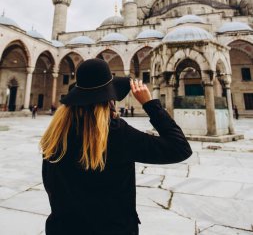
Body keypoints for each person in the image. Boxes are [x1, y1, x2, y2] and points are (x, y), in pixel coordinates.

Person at [40, 59, 192, 235]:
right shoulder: (115, 134)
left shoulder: (55, 135)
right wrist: (150, 105)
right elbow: (180, 147)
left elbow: (50, 183)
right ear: (109, 99)